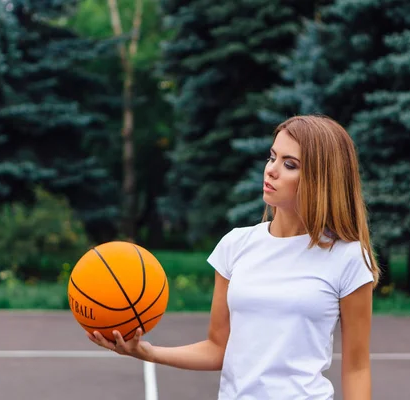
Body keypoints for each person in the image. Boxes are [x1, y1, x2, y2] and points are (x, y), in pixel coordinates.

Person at [87, 114, 380, 400]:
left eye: (289, 164)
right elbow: (217, 348)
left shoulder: (348, 257)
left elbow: (356, 368)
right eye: (272, 157)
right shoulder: (236, 244)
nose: (271, 170)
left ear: (321, 179)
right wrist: (147, 352)